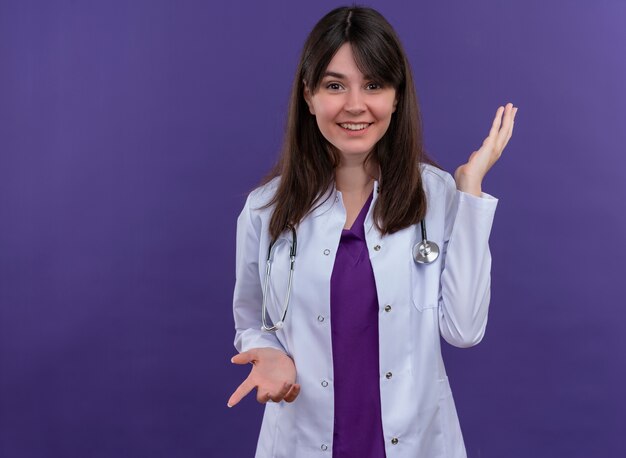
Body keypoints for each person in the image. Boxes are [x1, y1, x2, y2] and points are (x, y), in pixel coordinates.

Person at [227, 6, 517, 458]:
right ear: (308, 96)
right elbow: (253, 320)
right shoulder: (266, 208)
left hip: (415, 443)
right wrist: (269, 353)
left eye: (374, 85)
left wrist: (471, 194)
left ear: (397, 97)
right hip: (304, 441)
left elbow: (463, 330)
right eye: (335, 85)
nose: (355, 105)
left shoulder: (436, 196)